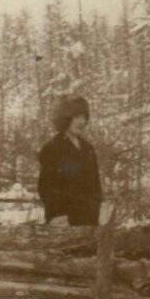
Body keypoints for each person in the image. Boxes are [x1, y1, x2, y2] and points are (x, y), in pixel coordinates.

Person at [37, 96, 103, 226]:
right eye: (77, 117)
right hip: (64, 221)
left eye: (84, 117)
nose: (82, 121)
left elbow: (95, 185)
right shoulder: (52, 148)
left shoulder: (88, 148)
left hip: (90, 220)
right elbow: (46, 187)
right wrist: (56, 215)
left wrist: (98, 210)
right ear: (65, 118)